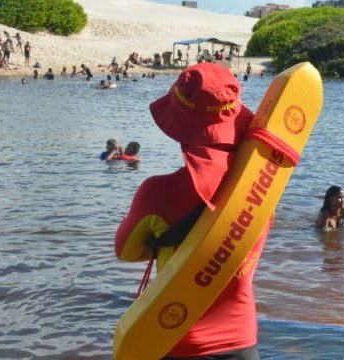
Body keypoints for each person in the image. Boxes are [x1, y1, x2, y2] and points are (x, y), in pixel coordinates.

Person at [114, 63, 263, 359]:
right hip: (243, 341)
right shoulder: (263, 185)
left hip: (177, 339)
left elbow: (127, 252)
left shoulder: (156, 192)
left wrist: (167, 246)